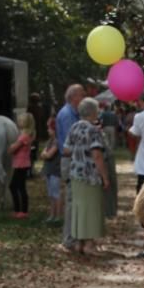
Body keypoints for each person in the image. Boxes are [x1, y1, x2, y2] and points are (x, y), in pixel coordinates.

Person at [63, 97, 109, 255]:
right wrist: (105, 177)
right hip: (91, 175)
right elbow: (97, 155)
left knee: (79, 209)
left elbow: (66, 150)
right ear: (93, 112)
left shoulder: (74, 127)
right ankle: (89, 244)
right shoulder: (93, 130)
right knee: (91, 209)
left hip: (76, 173)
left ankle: (78, 243)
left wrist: (79, 149)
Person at [56, 84, 85, 249]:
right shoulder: (68, 115)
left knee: (75, 200)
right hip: (70, 161)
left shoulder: (73, 114)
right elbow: (70, 142)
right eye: (82, 95)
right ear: (74, 97)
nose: (84, 98)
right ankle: (69, 239)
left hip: (74, 160)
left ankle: (74, 237)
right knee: (72, 200)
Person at [8, 112, 35, 219]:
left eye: (21, 120)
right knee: (17, 186)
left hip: (21, 164)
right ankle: (18, 210)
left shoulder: (24, 136)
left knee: (17, 186)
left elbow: (12, 149)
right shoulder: (24, 135)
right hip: (20, 163)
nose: (18, 122)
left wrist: (11, 147)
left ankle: (22, 210)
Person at [40, 116, 62, 224]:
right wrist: (45, 154)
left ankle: (57, 215)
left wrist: (45, 154)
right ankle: (51, 214)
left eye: (49, 128)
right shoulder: (50, 141)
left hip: (55, 170)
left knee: (56, 193)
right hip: (48, 170)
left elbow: (48, 154)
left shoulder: (57, 142)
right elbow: (43, 153)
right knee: (50, 194)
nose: (48, 130)